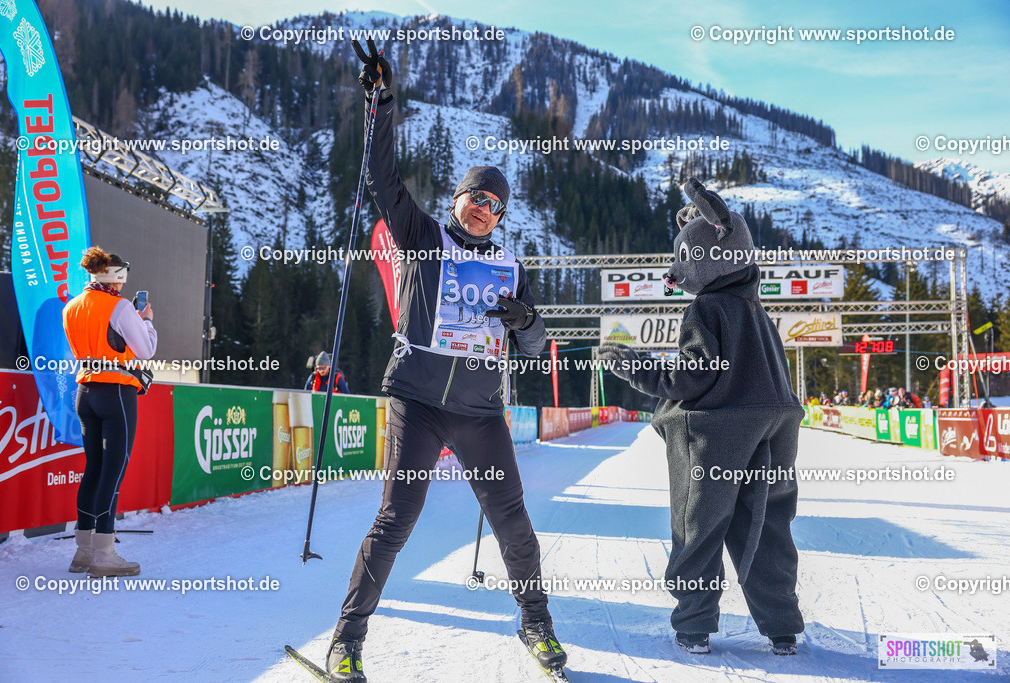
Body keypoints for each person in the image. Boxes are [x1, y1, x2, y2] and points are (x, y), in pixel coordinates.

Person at [322, 41, 564, 681]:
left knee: (513, 522)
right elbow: (382, 178)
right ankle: (346, 640)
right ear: (459, 198)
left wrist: (526, 321)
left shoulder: (511, 266)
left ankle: (537, 624)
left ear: (501, 216)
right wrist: (381, 104)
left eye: (494, 205)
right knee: (395, 521)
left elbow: (534, 347)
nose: (483, 209)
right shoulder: (422, 235)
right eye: (476, 197)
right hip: (420, 402)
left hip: (480, 412)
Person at [599, 178, 805, 657]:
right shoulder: (755, 310)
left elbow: (690, 378)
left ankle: (693, 626)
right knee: (767, 525)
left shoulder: (707, 308)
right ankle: (782, 628)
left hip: (716, 434)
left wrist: (632, 365)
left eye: (686, 259)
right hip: (776, 428)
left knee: (699, 524)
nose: (677, 272)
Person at [62, 246, 157, 577]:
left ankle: (83, 551)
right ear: (117, 278)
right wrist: (146, 321)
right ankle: (104, 554)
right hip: (116, 391)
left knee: (93, 470)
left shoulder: (72, 305)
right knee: (112, 473)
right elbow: (145, 350)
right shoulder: (120, 306)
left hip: (85, 392)